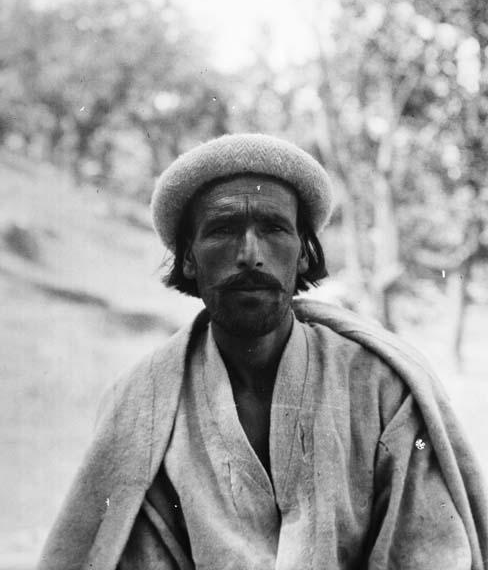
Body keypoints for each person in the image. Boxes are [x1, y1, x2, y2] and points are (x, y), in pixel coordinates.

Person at [38, 133, 487, 570]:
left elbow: (429, 550)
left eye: (273, 228)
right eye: (222, 230)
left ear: (305, 254)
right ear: (189, 259)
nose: (250, 254)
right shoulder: (144, 410)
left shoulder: (380, 387)